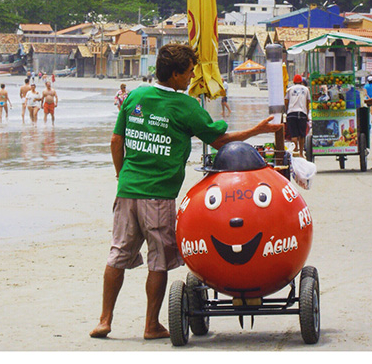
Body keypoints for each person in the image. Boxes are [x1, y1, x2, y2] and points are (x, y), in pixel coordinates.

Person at [90, 43, 282, 341]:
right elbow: (220, 140)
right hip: (159, 195)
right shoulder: (186, 106)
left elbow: (116, 141)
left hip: (127, 191)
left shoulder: (136, 95)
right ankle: (151, 326)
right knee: (159, 261)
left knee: (117, 254)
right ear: (176, 75)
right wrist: (256, 130)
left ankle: (104, 320)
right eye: (190, 72)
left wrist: (121, 175)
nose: (192, 77)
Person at [285, 74, 312, 158]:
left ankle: (295, 152)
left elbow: (286, 101)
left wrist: (287, 112)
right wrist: (307, 114)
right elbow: (308, 103)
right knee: (302, 135)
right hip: (302, 113)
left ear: (293, 82)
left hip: (291, 113)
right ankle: (300, 153)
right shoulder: (306, 90)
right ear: (301, 81)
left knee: (294, 135)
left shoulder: (289, 89)